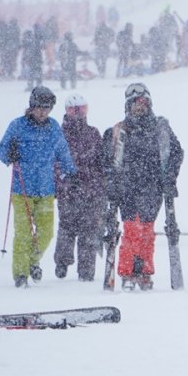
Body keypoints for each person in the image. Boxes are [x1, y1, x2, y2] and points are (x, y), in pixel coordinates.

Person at [101, 83, 184, 291]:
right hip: (126, 187)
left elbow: (176, 153)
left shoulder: (160, 129)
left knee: (146, 230)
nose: (140, 108)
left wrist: (170, 177)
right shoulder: (119, 130)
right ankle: (128, 271)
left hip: (152, 186)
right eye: (135, 104)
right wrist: (111, 184)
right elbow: (107, 161)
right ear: (128, 106)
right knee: (131, 229)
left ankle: (144, 271)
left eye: (143, 103)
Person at [0, 87, 76, 287]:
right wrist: (9, 154)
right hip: (22, 190)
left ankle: (33, 261)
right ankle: (21, 273)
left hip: (46, 189)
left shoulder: (53, 127)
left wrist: (71, 172)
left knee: (46, 232)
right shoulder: (17, 126)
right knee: (23, 233)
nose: (42, 112)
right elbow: (1, 150)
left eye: (47, 108)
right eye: (39, 108)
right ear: (31, 107)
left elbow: (63, 151)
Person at [53, 95, 105, 281]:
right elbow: (55, 162)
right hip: (68, 189)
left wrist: (101, 183)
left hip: (92, 190)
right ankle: (62, 261)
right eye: (74, 110)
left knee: (89, 230)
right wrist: (63, 181)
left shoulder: (93, 133)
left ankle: (86, 271)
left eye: (82, 109)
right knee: (67, 226)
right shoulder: (59, 134)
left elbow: (101, 160)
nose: (78, 114)